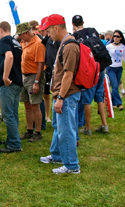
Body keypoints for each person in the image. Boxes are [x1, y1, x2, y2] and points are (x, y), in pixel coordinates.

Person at [39, 14, 81, 174]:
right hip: (61, 95)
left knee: (66, 130)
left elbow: (68, 75)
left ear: (57, 28)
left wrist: (61, 98)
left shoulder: (69, 45)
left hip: (66, 95)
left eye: (49, 30)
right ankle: (57, 155)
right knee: (59, 127)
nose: (48, 34)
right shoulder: (63, 43)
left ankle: (72, 166)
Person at [72, 15, 109, 135]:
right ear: (83, 22)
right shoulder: (93, 31)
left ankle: (87, 128)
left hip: (89, 70)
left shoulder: (76, 36)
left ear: (73, 24)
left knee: (87, 100)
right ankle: (104, 125)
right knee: (99, 97)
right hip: (101, 67)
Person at [0, 21, 23, 153]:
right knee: (13, 113)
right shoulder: (16, 42)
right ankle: (12, 138)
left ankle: (14, 144)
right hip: (18, 80)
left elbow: (9, 56)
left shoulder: (5, 40)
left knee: (8, 114)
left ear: (1, 30)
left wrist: (5, 77)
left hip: (9, 82)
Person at [17, 22, 45, 142]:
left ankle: (38, 132)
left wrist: (37, 82)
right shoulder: (23, 42)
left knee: (35, 105)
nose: (19, 37)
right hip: (25, 76)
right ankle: (29, 130)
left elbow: (40, 65)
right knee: (27, 104)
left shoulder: (38, 44)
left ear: (25, 33)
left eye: (20, 34)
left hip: (34, 76)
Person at [106, 30, 125, 110]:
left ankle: (112, 102)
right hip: (111, 68)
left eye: (117, 36)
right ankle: (119, 103)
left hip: (119, 68)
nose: (116, 38)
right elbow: (106, 57)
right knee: (115, 85)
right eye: (114, 36)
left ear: (121, 38)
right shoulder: (109, 46)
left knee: (116, 86)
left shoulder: (122, 46)